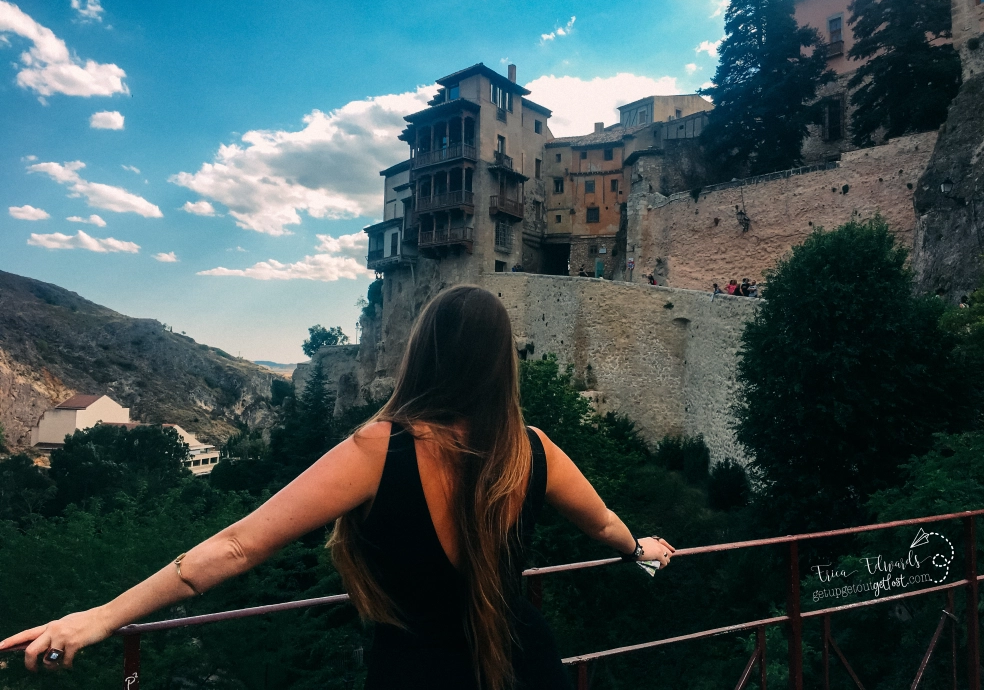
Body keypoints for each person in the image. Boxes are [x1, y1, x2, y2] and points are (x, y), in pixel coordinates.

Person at [0, 286, 673, 690]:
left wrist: (101, 617)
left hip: (416, 676)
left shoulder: (378, 449)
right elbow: (605, 524)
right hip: (530, 666)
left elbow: (237, 547)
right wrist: (639, 547)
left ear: (423, 353)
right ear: (501, 364)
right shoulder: (533, 450)